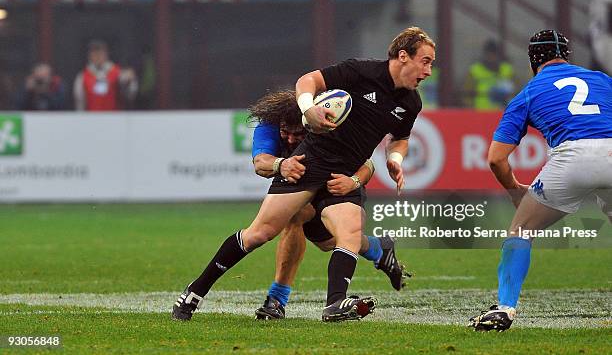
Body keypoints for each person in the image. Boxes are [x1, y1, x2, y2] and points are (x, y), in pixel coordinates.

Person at [172, 26, 435, 322]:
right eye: (425, 61)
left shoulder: (411, 102)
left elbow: (400, 137)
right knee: (260, 233)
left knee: (346, 234)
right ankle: (194, 292)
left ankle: (334, 305)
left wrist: (395, 158)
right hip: (309, 163)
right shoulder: (360, 72)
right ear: (403, 56)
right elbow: (308, 80)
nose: (428, 71)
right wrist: (307, 108)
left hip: (344, 174)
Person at [469, 29, 612, 331]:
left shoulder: (531, 91)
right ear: (566, 55)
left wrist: (513, 190)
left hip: (572, 160)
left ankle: (505, 308)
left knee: (520, 231)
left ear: (533, 59)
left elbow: (496, 157)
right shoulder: (602, 79)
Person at [247, 90, 410, 320]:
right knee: (309, 229)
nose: (291, 140)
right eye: (286, 133)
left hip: (336, 188)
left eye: (298, 134)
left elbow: (368, 165)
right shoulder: (270, 124)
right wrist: (281, 164)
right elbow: (260, 162)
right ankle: (379, 250)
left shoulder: (327, 125)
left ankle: (278, 299)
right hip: (302, 189)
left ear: (310, 124)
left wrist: (352, 182)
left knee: (334, 239)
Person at [73, 40, 138, 111]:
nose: (97, 56)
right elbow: (79, 102)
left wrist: (130, 81)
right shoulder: (82, 76)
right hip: (92, 119)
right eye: (94, 53)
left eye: (100, 53)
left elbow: (130, 94)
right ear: (89, 56)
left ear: (106, 54)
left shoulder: (118, 73)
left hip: (114, 118)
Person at [463, 39, 515, 110]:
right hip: (481, 113)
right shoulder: (475, 71)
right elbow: (466, 93)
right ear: (484, 54)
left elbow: (517, 91)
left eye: (494, 54)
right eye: (489, 54)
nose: (491, 58)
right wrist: (471, 109)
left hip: (503, 113)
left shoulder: (507, 70)